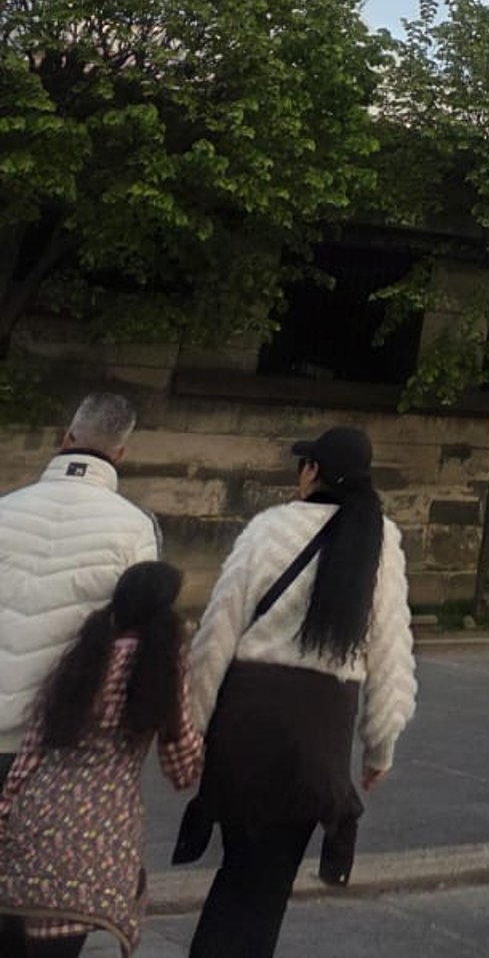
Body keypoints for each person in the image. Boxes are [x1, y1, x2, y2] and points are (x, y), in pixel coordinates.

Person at [180, 425, 416, 956]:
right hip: (318, 734)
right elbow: (390, 654)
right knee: (268, 885)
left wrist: (193, 727)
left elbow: (217, 631)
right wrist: (381, 746)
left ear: (312, 472)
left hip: (247, 720)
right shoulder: (380, 543)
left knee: (238, 871)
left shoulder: (267, 529)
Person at [0, 560, 200, 956]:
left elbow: (30, 753)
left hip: (35, 818)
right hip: (100, 839)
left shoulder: (79, 660)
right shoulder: (161, 670)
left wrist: (5, 812)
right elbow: (181, 765)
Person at [0, 392, 159, 791]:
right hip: (55, 732)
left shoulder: (6, 509)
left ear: (65, 437)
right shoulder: (135, 529)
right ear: (120, 453)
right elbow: (134, 636)